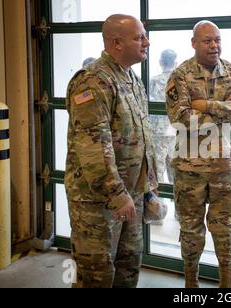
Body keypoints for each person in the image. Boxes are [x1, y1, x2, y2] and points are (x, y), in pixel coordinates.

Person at [65, 14, 158, 288]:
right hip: (99, 202)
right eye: (139, 37)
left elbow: (141, 138)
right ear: (117, 43)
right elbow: (93, 147)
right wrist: (116, 195)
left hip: (131, 195)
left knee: (127, 266)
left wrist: (148, 186)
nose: (147, 42)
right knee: (96, 274)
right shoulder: (93, 82)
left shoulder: (130, 78)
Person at [166, 20, 231, 288]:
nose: (214, 45)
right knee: (191, 228)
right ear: (193, 43)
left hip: (225, 166)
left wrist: (208, 105)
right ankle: (191, 282)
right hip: (189, 167)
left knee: (225, 227)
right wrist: (226, 112)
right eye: (207, 40)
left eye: (217, 40)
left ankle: (226, 283)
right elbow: (180, 118)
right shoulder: (180, 76)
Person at [149, 49, 178, 185]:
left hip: (157, 131)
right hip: (175, 130)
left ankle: (159, 204)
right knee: (175, 171)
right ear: (176, 62)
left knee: (158, 170)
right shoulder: (179, 82)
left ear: (160, 62)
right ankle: (177, 205)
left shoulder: (153, 81)